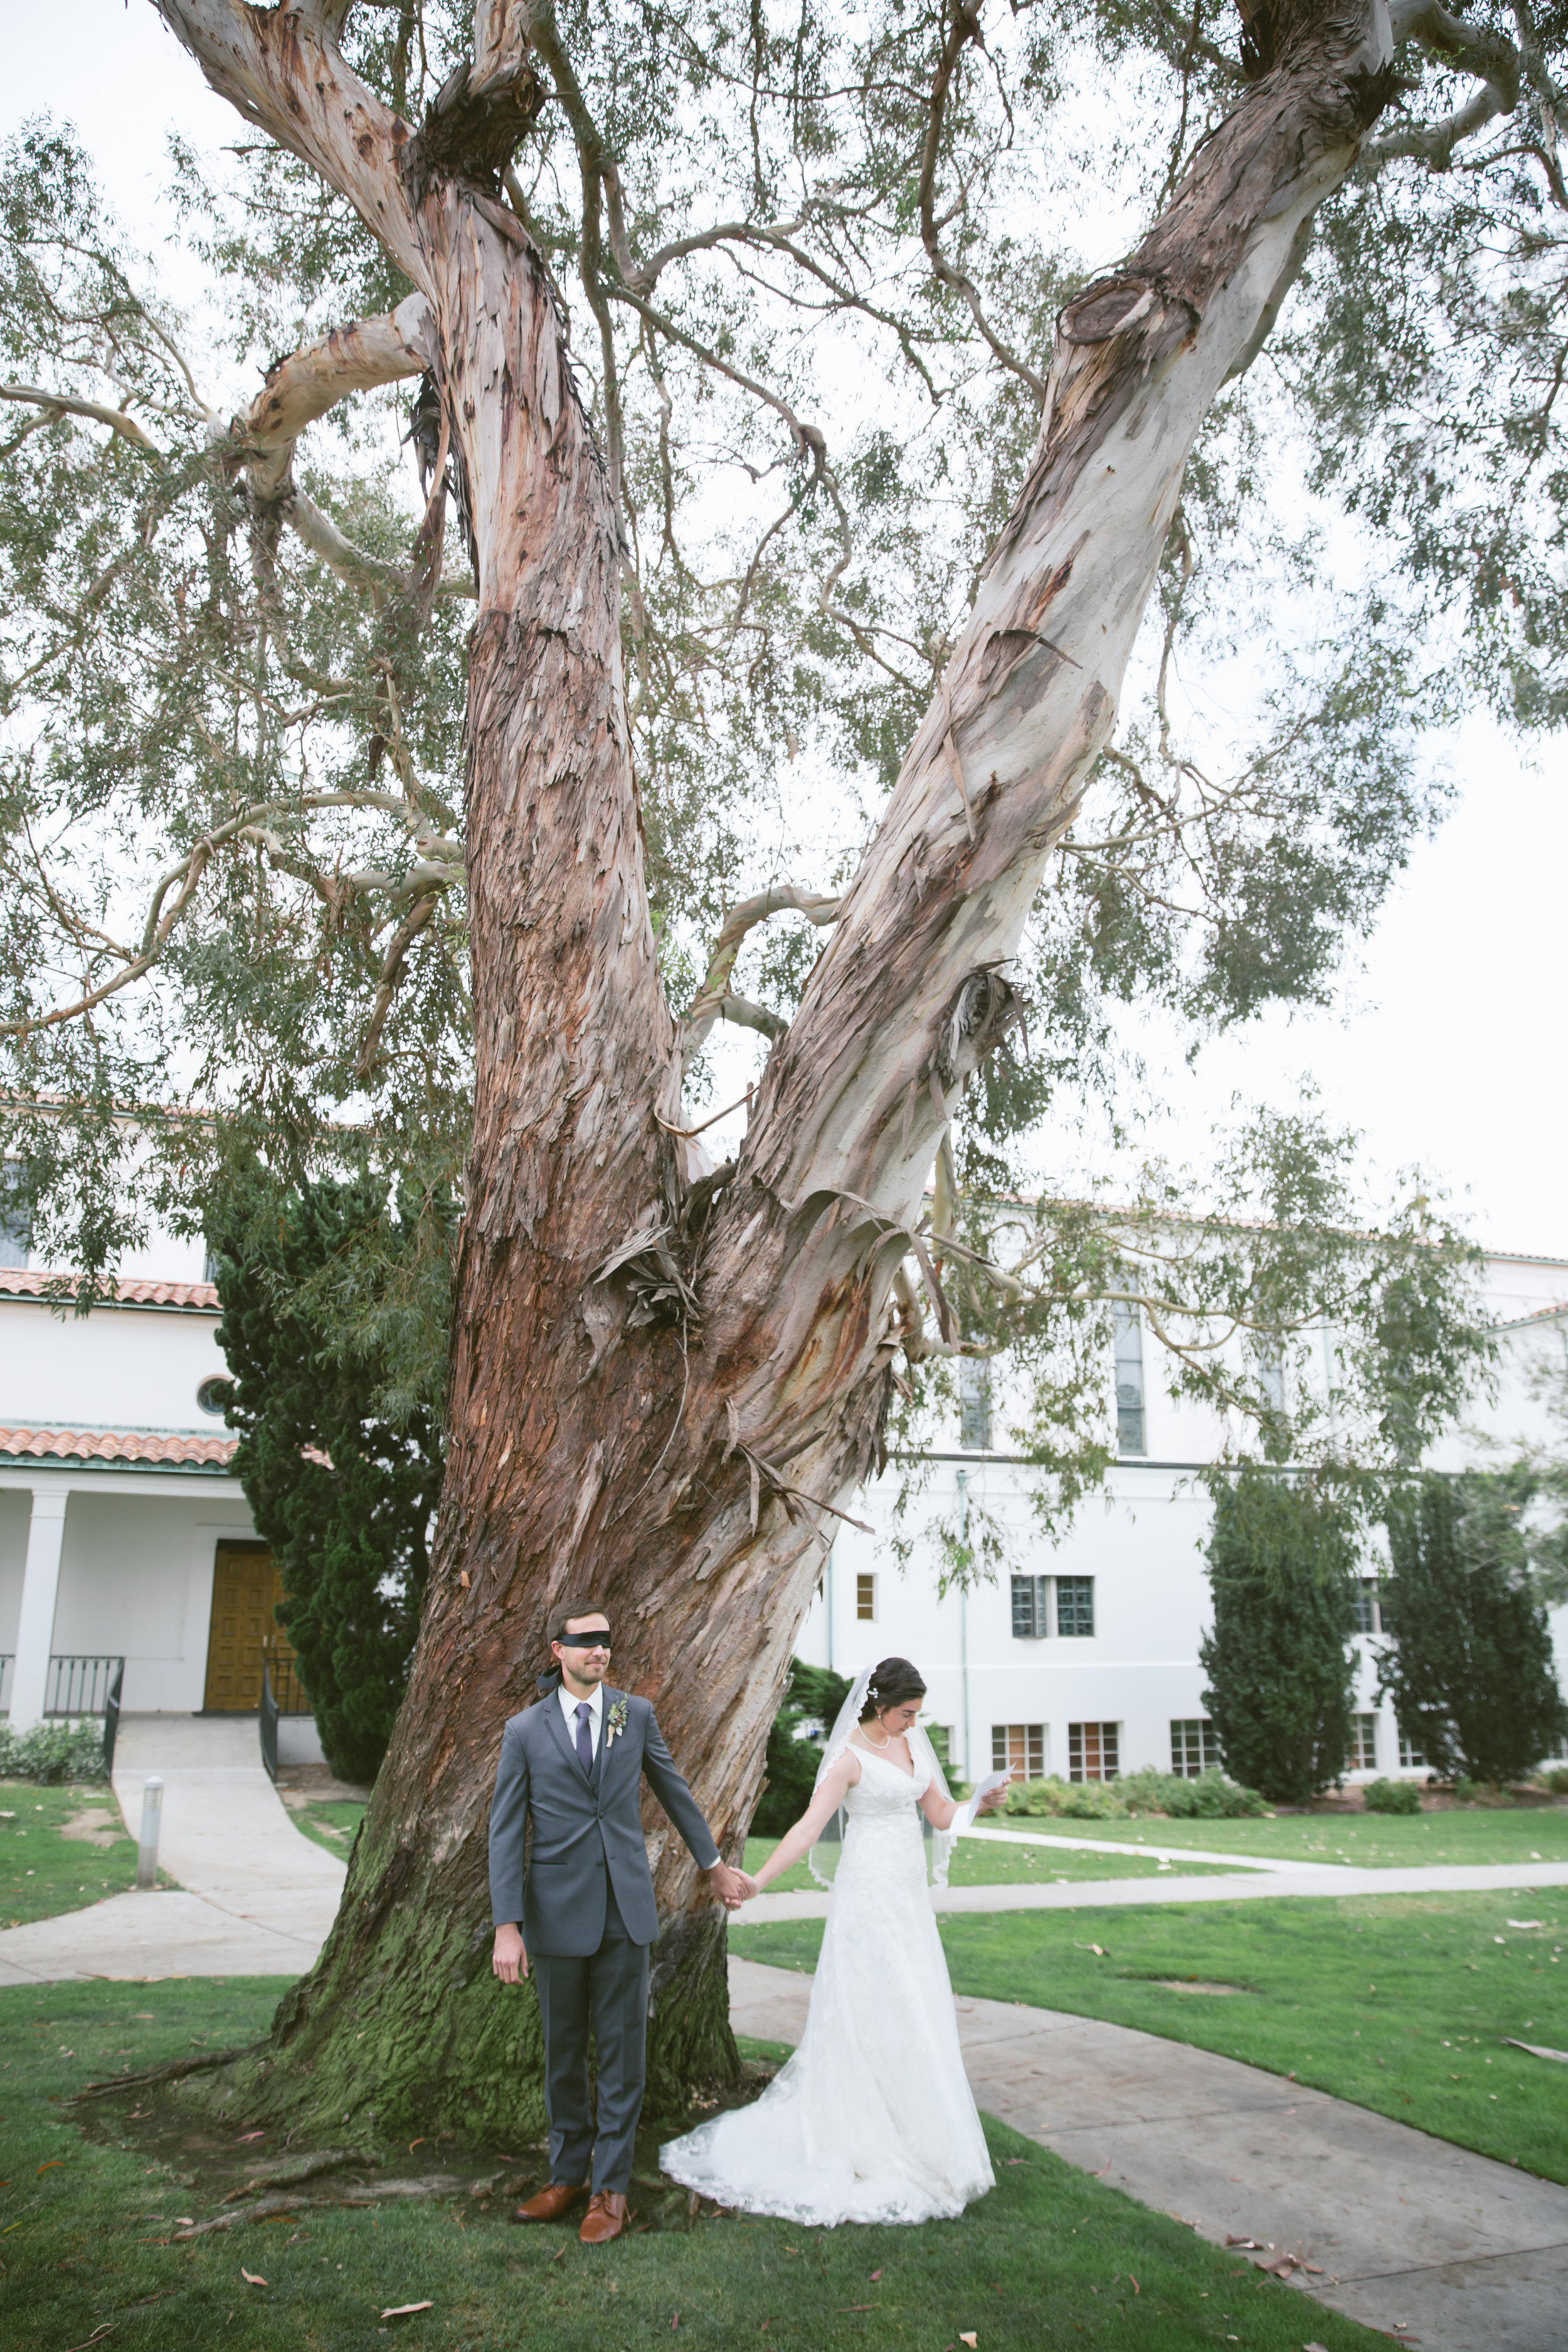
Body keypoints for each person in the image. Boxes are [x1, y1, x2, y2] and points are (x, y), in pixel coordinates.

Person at [660, 1655, 1009, 2225]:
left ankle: (919, 2129)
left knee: (914, 2006)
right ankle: (859, 2131)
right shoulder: (849, 1758)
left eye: (918, 1714)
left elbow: (941, 1815)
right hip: (867, 1894)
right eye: (905, 1713)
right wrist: (758, 1882)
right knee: (866, 2007)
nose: (912, 1723)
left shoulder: (914, 1745)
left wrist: (977, 1802)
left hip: (907, 1896)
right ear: (879, 1705)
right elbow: (808, 1826)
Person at [489, 1597, 750, 2245]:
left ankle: (611, 2190)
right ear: (559, 1651)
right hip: (554, 1919)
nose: (598, 1651)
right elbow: (504, 1833)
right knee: (563, 2055)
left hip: (625, 1915)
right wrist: (507, 1925)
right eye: (585, 1642)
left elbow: (673, 1791)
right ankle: (566, 2176)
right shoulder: (524, 1731)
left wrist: (713, 1865)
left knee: (624, 2056)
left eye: (605, 1641)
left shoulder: (634, 1716)